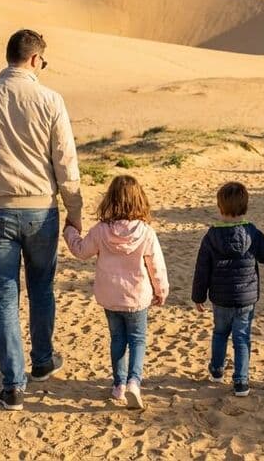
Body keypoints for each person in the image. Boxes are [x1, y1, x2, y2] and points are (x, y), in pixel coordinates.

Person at [0, 28, 84, 411]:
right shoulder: (50, 99)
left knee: (4, 296)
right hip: (42, 211)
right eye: (42, 60)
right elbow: (66, 161)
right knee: (41, 288)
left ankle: (13, 385)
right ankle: (42, 361)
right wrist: (75, 213)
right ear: (33, 59)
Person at [63, 175, 169, 410]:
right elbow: (156, 267)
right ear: (139, 201)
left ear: (110, 200)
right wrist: (161, 291)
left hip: (110, 297)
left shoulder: (101, 231)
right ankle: (134, 381)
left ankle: (118, 384)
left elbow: (80, 251)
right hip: (137, 297)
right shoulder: (146, 232)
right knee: (138, 339)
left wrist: (69, 231)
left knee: (117, 339)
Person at [191, 181, 264, 397]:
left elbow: (202, 269)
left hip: (221, 298)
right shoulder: (252, 233)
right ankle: (241, 381)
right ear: (245, 207)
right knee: (242, 337)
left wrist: (198, 296)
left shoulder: (211, 236)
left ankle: (216, 370)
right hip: (245, 298)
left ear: (220, 207)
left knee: (220, 333)